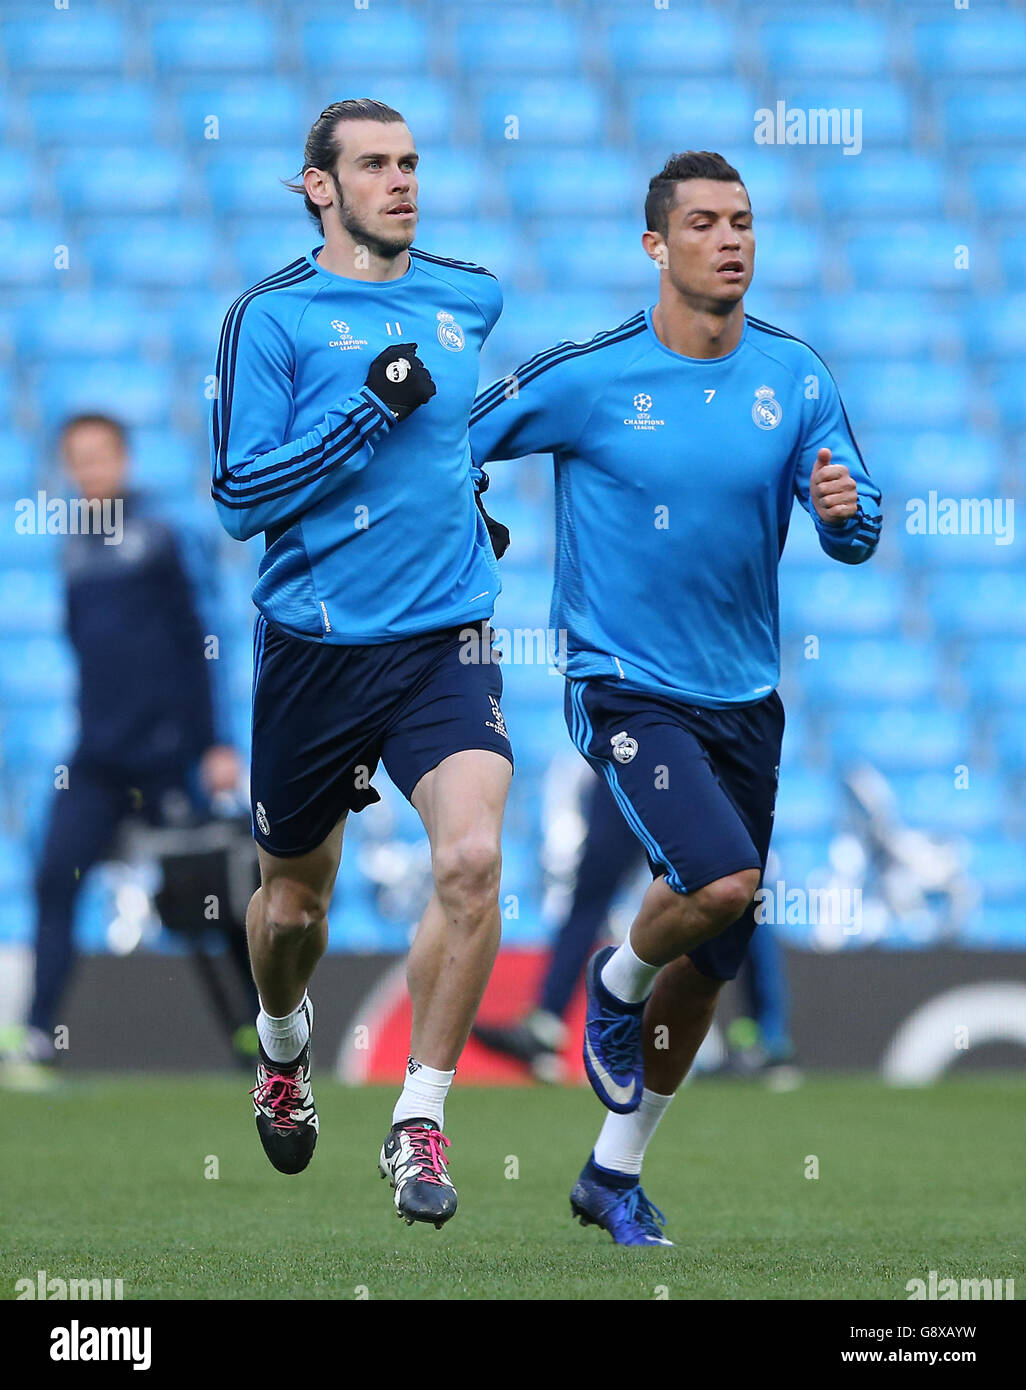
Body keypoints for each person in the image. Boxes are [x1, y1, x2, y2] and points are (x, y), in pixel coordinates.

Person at [469, 151, 881, 1245]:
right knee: (723, 878)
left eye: (743, 221)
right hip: (625, 685)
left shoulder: (794, 376)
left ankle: (613, 1171)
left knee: (716, 950)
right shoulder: (592, 375)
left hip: (746, 695)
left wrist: (843, 512)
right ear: (657, 246)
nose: (731, 239)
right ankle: (610, 983)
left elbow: (857, 526)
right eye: (703, 223)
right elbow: (451, 443)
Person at [210, 99, 513, 1229]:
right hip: (317, 650)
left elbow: (455, 435)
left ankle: (419, 1116)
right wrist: (367, 416)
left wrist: (463, 501)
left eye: (412, 162)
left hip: (447, 638)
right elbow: (241, 498)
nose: (402, 181)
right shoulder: (272, 317)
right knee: (292, 908)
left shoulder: (469, 292)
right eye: (374, 164)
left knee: (474, 859)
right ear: (317, 187)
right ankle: (283, 1046)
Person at [2, 412, 240, 1087]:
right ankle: (42, 1035)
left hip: (169, 753)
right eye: (77, 458)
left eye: (101, 454)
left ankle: (263, 1036)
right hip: (99, 758)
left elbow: (205, 641)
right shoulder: (74, 545)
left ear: (125, 457)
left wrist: (217, 741)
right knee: (56, 876)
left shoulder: (164, 534)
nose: (90, 468)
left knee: (209, 899)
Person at [473, 771, 797, 1082]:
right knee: (595, 887)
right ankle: (546, 1025)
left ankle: (767, 1037)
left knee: (736, 883)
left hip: (689, 748)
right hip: (635, 743)